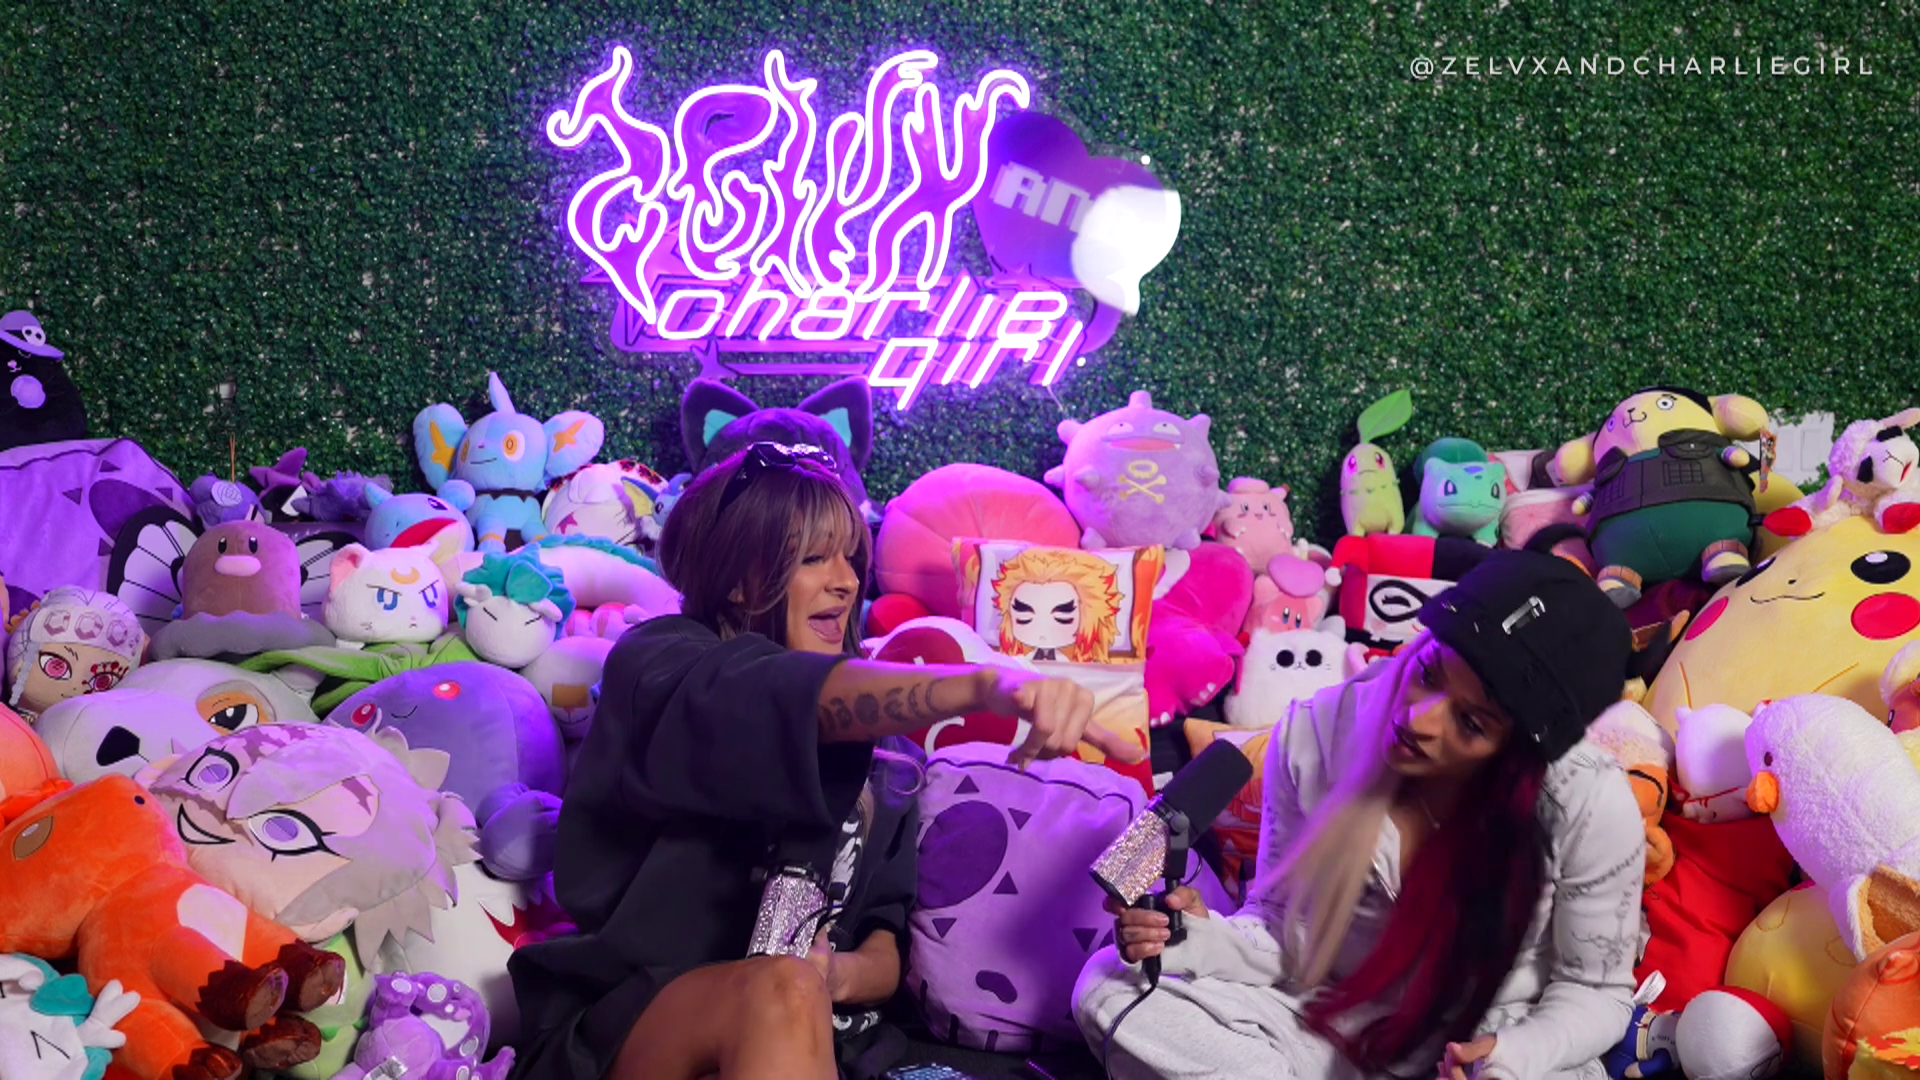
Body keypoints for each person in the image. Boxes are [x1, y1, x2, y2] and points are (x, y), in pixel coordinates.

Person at [509, 440, 1145, 1080]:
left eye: (851, 557)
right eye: (813, 559)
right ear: (737, 579)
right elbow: (781, 695)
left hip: (818, 1044)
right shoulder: (663, 664)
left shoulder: (892, 761)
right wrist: (989, 685)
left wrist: (835, 975)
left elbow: (886, 945)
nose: (845, 581)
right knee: (780, 989)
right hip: (627, 1029)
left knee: (796, 989)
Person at [1074, 548, 1646, 1080]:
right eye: (1429, 673)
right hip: (1323, 1019)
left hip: (1490, 1044)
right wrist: (1196, 940)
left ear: (1519, 754)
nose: (1420, 719)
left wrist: (1512, 1057)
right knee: (1110, 986)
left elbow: (1596, 992)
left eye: (1471, 723)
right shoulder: (1315, 733)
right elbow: (1281, 930)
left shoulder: (1589, 802)